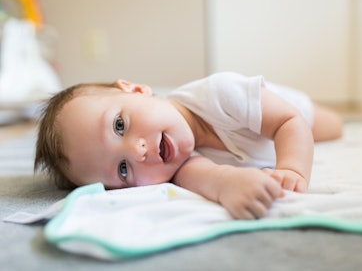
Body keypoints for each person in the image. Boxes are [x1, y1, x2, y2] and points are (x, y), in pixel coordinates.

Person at [35, 72, 343, 219]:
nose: (138, 151)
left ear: (137, 90)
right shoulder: (176, 166)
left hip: (285, 111)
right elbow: (213, 179)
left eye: (119, 126)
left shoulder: (222, 94)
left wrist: (291, 168)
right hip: (272, 132)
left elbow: (289, 123)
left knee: (332, 127)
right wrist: (232, 186)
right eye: (123, 169)